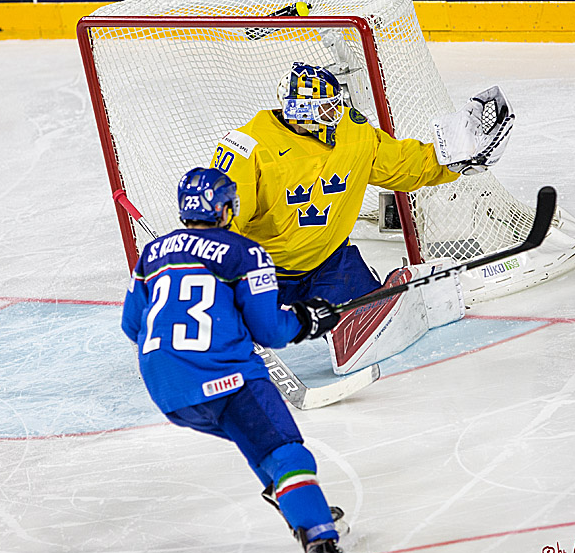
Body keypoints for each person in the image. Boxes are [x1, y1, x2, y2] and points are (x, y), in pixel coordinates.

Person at [121, 167, 385, 553]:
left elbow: (131, 325)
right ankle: (322, 548)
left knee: (258, 440)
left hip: (166, 388)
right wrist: (309, 318)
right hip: (227, 376)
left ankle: (294, 497)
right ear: (226, 208)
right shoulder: (243, 252)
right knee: (286, 452)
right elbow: (270, 331)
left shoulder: (151, 255)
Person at [209, 62, 513, 374]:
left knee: (376, 329)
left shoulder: (352, 133)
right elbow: (218, 224)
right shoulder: (248, 149)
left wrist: (451, 162)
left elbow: (399, 165)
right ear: (300, 111)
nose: (336, 113)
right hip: (265, 270)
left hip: (331, 262)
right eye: (326, 109)